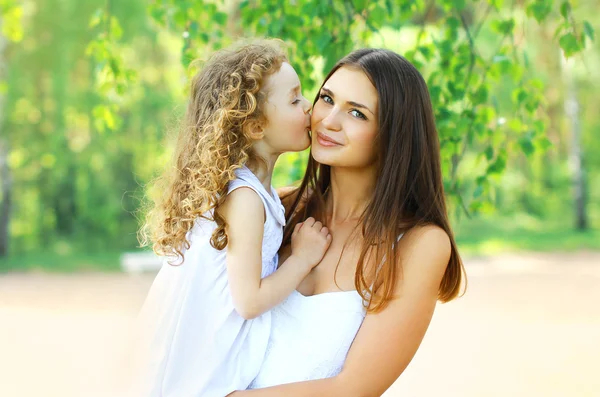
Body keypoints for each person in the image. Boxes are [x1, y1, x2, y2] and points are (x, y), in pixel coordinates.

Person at [231, 48, 466, 396]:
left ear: (394, 134)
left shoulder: (420, 244)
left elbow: (353, 388)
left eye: (357, 112)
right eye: (327, 98)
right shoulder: (277, 208)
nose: (328, 120)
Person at [133, 40, 332, 397]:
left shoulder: (251, 191)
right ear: (256, 127)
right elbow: (249, 301)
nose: (309, 107)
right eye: (295, 99)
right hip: (205, 370)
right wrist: (302, 260)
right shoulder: (245, 200)